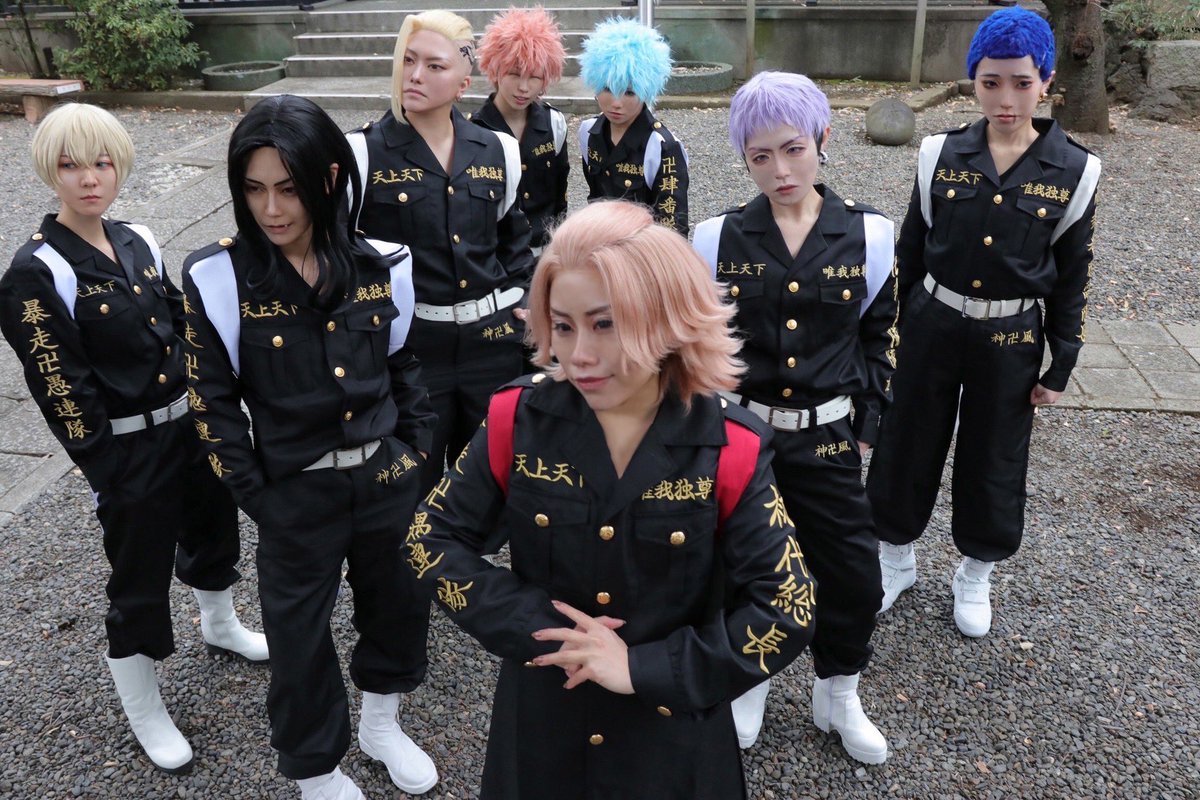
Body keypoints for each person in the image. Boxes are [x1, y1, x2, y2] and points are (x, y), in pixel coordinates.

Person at [404, 200, 816, 799]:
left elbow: (788, 606)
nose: (578, 355)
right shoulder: (515, 420)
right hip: (543, 728)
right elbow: (431, 539)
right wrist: (539, 628)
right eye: (563, 326)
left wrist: (643, 668)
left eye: (605, 324)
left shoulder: (730, 447)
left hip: (671, 744)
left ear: (667, 318)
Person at [181, 95, 439, 800]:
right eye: (254, 188)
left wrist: (414, 456)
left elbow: (404, 367)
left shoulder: (384, 263)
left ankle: (382, 724)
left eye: (289, 188)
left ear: (328, 179)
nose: (271, 209)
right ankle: (316, 769)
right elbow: (212, 405)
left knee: (399, 607)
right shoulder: (217, 278)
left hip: (385, 480)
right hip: (294, 493)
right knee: (297, 638)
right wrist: (263, 499)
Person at [0, 103, 266, 776]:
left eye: (102, 162)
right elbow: (60, 386)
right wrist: (108, 472)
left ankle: (220, 623)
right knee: (139, 575)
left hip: (188, 427)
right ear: (49, 172)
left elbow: (180, 321)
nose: (89, 178)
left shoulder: (138, 237)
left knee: (214, 529)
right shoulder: (37, 271)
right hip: (128, 449)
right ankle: (144, 705)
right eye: (70, 165)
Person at [867, 7, 1101, 638]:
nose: (1006, 99)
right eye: (990, 82)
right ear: (973, 79)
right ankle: (895, 557)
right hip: (932, 322)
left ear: (1046, 81)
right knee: (907, 440)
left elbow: (1072, 271)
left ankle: (976, 570)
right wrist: (891, 334)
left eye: (1022, 83)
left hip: (1011, 337)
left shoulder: (1076, 170)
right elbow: (911, 250)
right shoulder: (938, 154)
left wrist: (1063, 358)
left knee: (995, 454)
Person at [692, 72, 897, 764]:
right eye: (760, 156)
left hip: (829, 438)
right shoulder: (715, 238)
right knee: (742, 565)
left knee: (852, 573)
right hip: (745, 438)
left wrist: (866, 428)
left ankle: (838, 690)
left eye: (793, 149)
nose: (780, 171)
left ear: (822, 139)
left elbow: (881, 338)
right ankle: (749, 679)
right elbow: (701, 345)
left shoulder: (869, 236)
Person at [347, 9, 535, 494]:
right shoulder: (362, 153)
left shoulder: (498, 150)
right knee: (414, 481)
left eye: (434, 66)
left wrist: (528, 299)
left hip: (492, 346)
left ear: (463, 84)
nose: (414, 75)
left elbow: (514, 243)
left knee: (492, 481)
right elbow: (342, 255)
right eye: (409, 60)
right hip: (413, 350)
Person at [577, 18, 689, 235]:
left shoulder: (662, 146)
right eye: (607, 89)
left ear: (646, 91)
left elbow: (673, 224)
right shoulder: (588, 133)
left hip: (642, 249)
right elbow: (595, 196)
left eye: (629, 92)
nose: (616, 103)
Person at [472, 5, 569, 255]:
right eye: (514, 74)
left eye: (534, 77)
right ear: (495, 70)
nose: (523, 87)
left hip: (545, 249)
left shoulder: (554, 123)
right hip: (498, 255)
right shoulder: (474, 130)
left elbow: (560, 194)